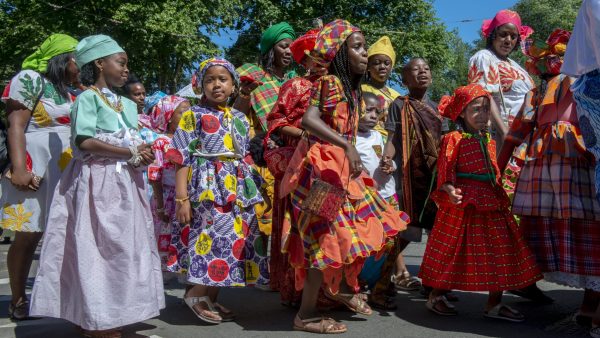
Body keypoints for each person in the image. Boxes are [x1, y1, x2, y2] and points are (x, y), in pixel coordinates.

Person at [30, 35, 164, 337]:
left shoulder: (128, 105)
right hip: (95, 182)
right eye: (121, 62)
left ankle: (111, 311)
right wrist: (128, 151)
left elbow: (133, 141)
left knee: (123, 249)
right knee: (94, 248)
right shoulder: (87, 99)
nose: (126, 69)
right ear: (100, 63)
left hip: (126, 185)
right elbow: (84, 140)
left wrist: (142, 153)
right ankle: (93, 316)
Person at [282, 19, 409, 333]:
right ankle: (307, 315)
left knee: (363, 232)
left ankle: (338, 292)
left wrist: (351, 154)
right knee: (322, 241)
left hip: (340, 175)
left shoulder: (350, 90)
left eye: (364, 46)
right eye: (357, 47)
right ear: (339, 52)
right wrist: (346, 146)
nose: (365, 53)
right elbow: (310, 120)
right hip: (322, 176)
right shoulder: (330, 83)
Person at [499, 27, 600, 332]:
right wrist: (496, 170)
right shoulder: (538, 92)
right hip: (543, 173)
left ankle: (590, 303)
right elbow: (515, 133)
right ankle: (527, 283)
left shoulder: (588, 86)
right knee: (546, 230)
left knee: (589, 229)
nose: (556, 63)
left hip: (578, 166)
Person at [418, 84, 541, 321]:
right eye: (476, 109)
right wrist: (450, 189)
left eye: (486, 110)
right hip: (464, 203)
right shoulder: (452, 138)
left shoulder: (489, 139)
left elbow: (494, 170)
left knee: (502, 249)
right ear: (462, 113)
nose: (482, 115)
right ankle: (436, 295)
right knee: (454, 251)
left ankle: (494, 303)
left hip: (491, 200)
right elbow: (445, 170)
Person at [166, 58, 267, 324]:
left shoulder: (240, 118)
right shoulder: (193, 115)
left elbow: (245, 156)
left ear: (233, 85)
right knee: (210, 238)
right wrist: (181, 198)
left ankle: (210, 297)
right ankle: (195, 295)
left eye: (223, 79)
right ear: (200, 86)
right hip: (206, 188)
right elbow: (179, 157)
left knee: (235, 241)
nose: (216, 84)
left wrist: (257, 189)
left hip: (237, 189)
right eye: (209, 80)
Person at [0, 33, 79, 320]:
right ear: (64, 58)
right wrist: (19, 168)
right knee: (28, 236)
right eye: (77, 60)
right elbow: (16, 126)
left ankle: (55, 298)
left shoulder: (70, 91)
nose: (81, 66)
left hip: (65, 171)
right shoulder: (30, 79)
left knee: (58, 236)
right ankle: (18, 300)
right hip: (35, 168)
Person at [265, 28, 331, 307]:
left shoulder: (337, 86)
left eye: (327, 54)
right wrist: (304, 135)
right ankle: (296, 292)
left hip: (329, 168)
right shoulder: (296, 86)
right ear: (304, 60)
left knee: (325, 225)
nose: (323, 60)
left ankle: (326, 291)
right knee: (299, 226)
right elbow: (276, 123)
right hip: (300, 167)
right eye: (317, 55)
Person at [382, 57, 443, 296]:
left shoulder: (439, 108)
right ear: (405, 79)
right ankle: (384, 278)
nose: (422, 73)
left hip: (436, 175)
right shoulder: (399, 104)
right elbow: (392, 139)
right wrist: (387, 158)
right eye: (415, 70)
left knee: (438, 234)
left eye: (426, 68)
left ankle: (433, 283)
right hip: (409, 177)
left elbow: (445, 141)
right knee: (406, 230)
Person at [234, 22, 296, 254]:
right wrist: (246, 93)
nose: (289, 51)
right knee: (262, 213)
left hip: (291, 154)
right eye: (283, 46)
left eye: (292, 47)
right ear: (270, 49)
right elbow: (238, 115)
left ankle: (283, 271)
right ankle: (259, 268)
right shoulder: (254, 77)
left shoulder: (296, 81)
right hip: (262, 155)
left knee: (289, 215)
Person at [356, 92, 400, 310]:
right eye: (367, 110)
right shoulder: (349, 139)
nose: (373, 115)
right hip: (366, 199)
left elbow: (392, 160)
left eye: (377, 111)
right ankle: (359, 286)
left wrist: (391, 166)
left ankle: (379, 290)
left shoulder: (379, 137)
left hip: (388, 196)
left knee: (391, 243)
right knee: (367, 244)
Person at [468, 9, 535, 148]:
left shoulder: (517, 66)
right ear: (493, 35)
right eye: (503, 34)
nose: (508, 40)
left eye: (513, 36)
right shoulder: (484, 57)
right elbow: (483, 96)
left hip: (524, 136)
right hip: (501, 135)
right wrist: (504, 132)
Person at [146, 95, 190, 271]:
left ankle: (181, 270)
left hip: (185, 195)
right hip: (166, 198)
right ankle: (162, 276)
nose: (188, 115)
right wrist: (160, 206)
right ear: (169, 116)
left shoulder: (189, 140)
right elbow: (155, 175)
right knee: (165, 234)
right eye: (182, 111)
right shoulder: (162, 142)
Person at [361, 36, 401, 138]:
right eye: (376, 63)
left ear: (391, 67)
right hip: (365, 142)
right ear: (368, 67)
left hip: (391, 145)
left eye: (387, 63)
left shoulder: (397, 96)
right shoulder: (360, 90)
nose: (382, 66)